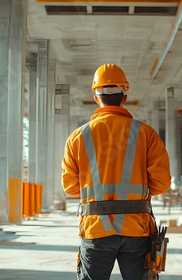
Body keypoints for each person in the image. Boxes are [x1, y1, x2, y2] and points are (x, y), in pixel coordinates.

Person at [61, 64, 171, 280]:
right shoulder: (145, 133)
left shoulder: (77, 137)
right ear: (124, 97)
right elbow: (161, 183)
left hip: (95, 229)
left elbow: (71, 186)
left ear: (96, 97)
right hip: (136, 228)